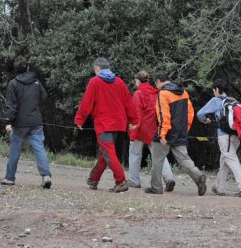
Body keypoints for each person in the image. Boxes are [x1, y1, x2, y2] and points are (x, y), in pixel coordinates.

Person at [74, 57, 138, 193]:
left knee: (109, 152)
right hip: (118, 123)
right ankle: (93, 179)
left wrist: (79, 119)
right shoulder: (119, 81)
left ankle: (120, 181)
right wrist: (132, 120)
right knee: (106, 152)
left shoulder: (95, 81)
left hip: (104, 123)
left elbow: (87, 102)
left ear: (97, 68)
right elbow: (129, 102)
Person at [145, 71, 206, 196]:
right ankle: (198, 175)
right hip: (180, 131)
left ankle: (156, 187)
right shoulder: (183, 92)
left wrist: (162, 134)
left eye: (155, 84)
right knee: (184, 159)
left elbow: (164, 115)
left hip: (166, 132)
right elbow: (190, 113)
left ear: (158, 81)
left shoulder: (163, 93)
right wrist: (185, 129)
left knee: (158, 160)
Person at [1, 56, 52, 189]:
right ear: (27, 68)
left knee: (15, 149)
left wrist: (9, 122)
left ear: (15, 69)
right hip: (36, 121)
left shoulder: (13, 83)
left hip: (19, 123)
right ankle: (46, 176)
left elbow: (11, 106)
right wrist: (34, 105)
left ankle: (9, 178)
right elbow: (44, 97)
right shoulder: (36, 81)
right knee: (39, 148)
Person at [196, 79, 241, 197]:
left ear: (217, 90)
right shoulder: (233, 101)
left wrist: (206, 120)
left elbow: (200, 114)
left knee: (230, 159)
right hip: (236, 135)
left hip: (224, 135)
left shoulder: (216, 100)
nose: (213, 92)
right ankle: (218, 188)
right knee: (225, 161)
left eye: (214, 90)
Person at [128, 70, 176, 191]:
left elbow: (136, 112)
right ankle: (169, 178)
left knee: (135, 154)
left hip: (139, 129)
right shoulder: (156, 93)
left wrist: (133, 126)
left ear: (138, 81)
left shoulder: (138, 94)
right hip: (153, 128)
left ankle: (134, 180)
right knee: (159, 155)